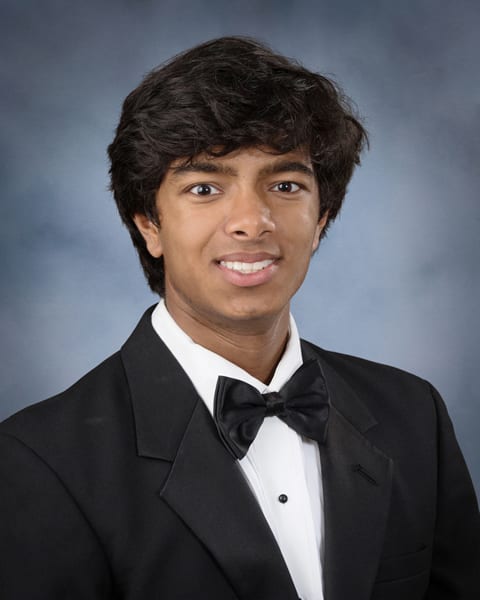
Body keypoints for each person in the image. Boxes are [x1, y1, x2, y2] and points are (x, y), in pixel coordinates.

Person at [0, 36, 478, 600]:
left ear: (321, 218)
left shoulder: (414, 413)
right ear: (149, 224)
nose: (252, 221)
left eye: (285, 185)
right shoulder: (39, 460)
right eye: (205, 188)